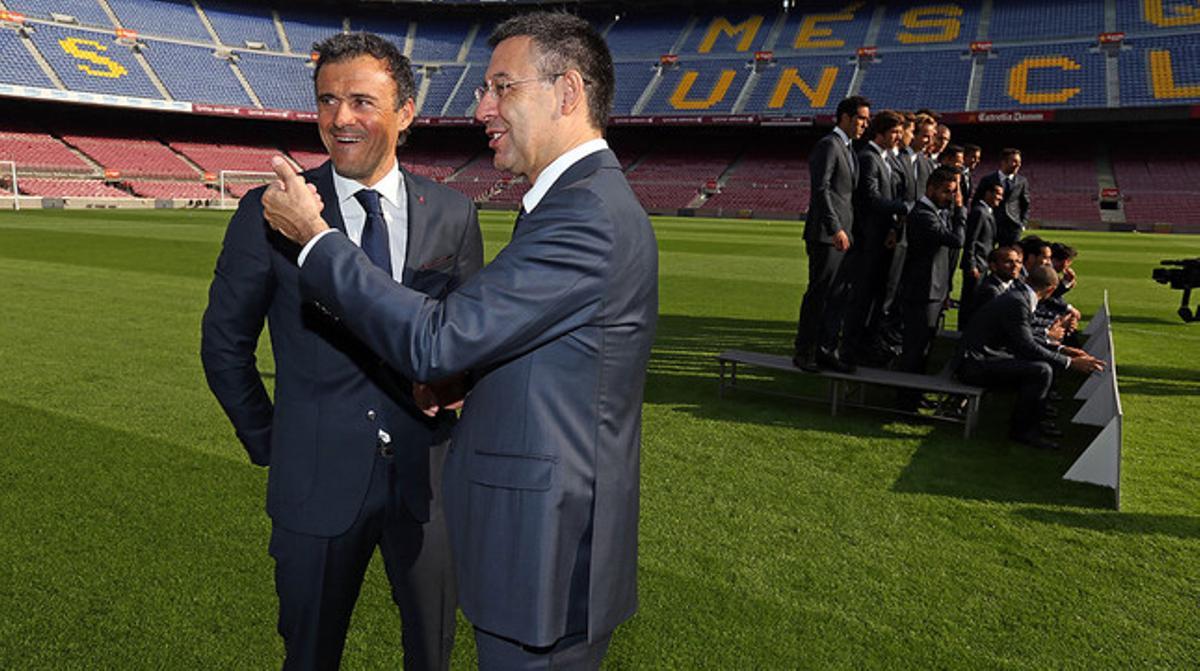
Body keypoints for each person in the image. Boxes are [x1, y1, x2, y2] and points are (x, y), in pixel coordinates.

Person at [260, 13, 657, 669]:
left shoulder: (586, 213)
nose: (482, 107)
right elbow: (537, 344)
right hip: (539, 553)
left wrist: (316, 238)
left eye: (503, 87)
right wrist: (464, 380)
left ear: (567, 93)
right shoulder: (574, 203)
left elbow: (435, 339)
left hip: (546, 561)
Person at [200, 32, 482, 670]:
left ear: (406, 112)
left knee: (432, 657)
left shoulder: (453, 215)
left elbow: (467, 337)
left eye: (361, 100)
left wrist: (454, 380)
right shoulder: (268, 211)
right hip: (313, 487)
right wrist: (275, 442)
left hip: (428, 488)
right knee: (308, 657)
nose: (340, 119)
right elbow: (223, 346)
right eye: (328, 101)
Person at [953, 265, 1105, 450]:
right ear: (1050, 289)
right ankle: (1023, 431)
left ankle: (1033, 423)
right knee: (1041, 370)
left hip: (983, 358)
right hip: (974, 365)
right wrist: (1070, 362)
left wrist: (1063, 349)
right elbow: (1026, 345)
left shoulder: (1019, 297)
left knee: (1042, 367)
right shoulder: (1018, 302)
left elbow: (1027, 337)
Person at [794, 95, 870, 373]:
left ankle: (826, 349)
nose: (865, 124)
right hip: (827, 235)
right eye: (861, 118)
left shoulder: (849, 149)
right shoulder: (829, 145)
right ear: (845, 117)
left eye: (866, 119)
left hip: (843, 234)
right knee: (819, 293)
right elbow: (821, 189)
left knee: (837, 295)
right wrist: (834, 226)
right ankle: (804, 352)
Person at [840, 110, 910, 366]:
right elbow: (870, 197)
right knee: (860, 299)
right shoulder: (869, 157)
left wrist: (893, 227)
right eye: (894, 132)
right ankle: (849, 350)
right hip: (867, 240)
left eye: (901, 133)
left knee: (874, 298)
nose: (899, 137)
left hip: (882, 238)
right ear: (879, 133)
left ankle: (865, 347)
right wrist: (904, 208)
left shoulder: (886, 158)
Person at [896, 166, 966, 407]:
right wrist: (960, 210)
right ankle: (906, 400)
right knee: (915, 349)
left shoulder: (933, 211)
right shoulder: (923, 214)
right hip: (921, 292)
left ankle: (916, 394)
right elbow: (957, 240)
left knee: (925, 347)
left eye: (954, 192)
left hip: (932, 291)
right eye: (947, 192)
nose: (951, 197)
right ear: (931, 188)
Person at [957, 181, 1004, 328]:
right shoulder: (979, 212)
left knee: (975, 301)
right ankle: (963, 332)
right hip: (977, 265)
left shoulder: (987, 212)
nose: (1000, 198)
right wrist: (972, 265)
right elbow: (971, 240)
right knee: (970, 301)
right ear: (987, 193)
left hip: (982, 265)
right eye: (997, 194)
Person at [974, 148, 1030, 246]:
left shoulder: (1022, 181)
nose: (1018, 165)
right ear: (1004, 162)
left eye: (1019, 162)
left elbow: (1025, 203)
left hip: (1013, 226)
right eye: (1015, 161)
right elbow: (977, 200)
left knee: (1008, 257)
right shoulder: (988, 179)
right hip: (991, 222)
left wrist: (1022, 224)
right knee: (986, 253)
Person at [972, 245, 1022, 312]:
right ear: (993, 266)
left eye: (1017, 261)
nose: (1015, 265)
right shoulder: (990, 291)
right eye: (1008, 262)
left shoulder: (1017, 284)